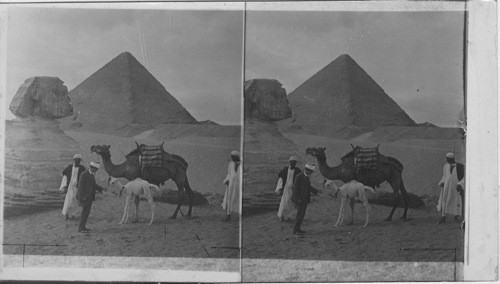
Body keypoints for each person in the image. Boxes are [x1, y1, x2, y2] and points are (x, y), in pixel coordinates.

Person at [76, 161, 105, 233]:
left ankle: (83, 227)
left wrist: (102, 189)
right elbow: (80, 187)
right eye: (96, 169)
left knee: (86, 212)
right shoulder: (84, 174)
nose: (96, 171)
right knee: (84, 213)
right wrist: (82, 198)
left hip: (89, 198)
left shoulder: (91, 174)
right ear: (92, 168)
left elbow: (94, 185)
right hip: (85, 198)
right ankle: (81, 228)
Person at [291, 163, 320, 234]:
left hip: (304, 199)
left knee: (301, 215)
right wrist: (298, 199)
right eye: (311, 171)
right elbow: (295, 188)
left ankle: (298, 229)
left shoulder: (306, 176)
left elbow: (309, 187)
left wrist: (317, 191)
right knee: (299, 215)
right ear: (307, 170)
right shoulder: (299, 176)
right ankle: (295, 230)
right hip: (299, 200)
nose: (312, 173)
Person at [437, 152, 465, 224]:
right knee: (444, 200)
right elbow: (444, 176)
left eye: (447, 158)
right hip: (446, 187)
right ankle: (443, 217)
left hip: (455, 187)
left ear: (451, 158)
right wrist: (442, 182)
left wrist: (460, 185)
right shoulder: (446, 166)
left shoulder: (460, 166)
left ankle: (456, 216)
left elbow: (464, 177)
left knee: (456, 201)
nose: (446, 160)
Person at [60, 154, 86, 220]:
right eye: (76, 160)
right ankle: (66, 214)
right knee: (69, 200)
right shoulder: (69, 167)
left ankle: (73, 214)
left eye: (79, 160)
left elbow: (84, 177)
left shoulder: (82, 168)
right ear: (74, 160)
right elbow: (64, 172)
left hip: (78, 187)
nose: (78, 161)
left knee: (75, 201)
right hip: (70, 187)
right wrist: (64, 184)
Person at [276, 156, 302, 222]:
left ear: (296, 163)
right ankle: (281, 217)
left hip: (293, 190)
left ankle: (289, 217)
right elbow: (280, 176)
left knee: (290, 203)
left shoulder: (298, 171)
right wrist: (280, 188)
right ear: (289, 162)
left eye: (294, 162)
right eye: (292, 162)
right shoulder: (285, 169)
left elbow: (300, 180)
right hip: (285, 189)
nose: (293, 163)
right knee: (283, 203)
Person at [222, 150, 241, 221]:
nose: (232, 158)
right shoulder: (231, 164)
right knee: (228, 199)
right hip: (231, 184)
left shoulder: (241, 165)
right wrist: (227, 180)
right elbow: (229, 174)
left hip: (239, 185)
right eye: (231, 157)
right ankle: (228, 215)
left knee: (238, 199)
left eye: (233, 157)